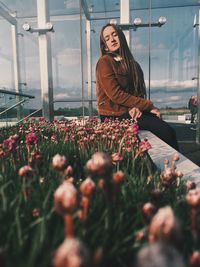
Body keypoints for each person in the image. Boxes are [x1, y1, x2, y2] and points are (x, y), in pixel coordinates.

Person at [95, 23, 179, 151]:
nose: (112, 39)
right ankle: (171, 168)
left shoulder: (134, 65)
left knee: (167, 129)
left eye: (114, 35)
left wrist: (136, 107)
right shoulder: (104, 62)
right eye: (107, 38)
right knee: (165, 131)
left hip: (129, 111)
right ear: (105, 47)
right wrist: (148, 105)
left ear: (121, 37)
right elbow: (115, 94)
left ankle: (171, 167)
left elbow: (138, 93)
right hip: (113, 115)